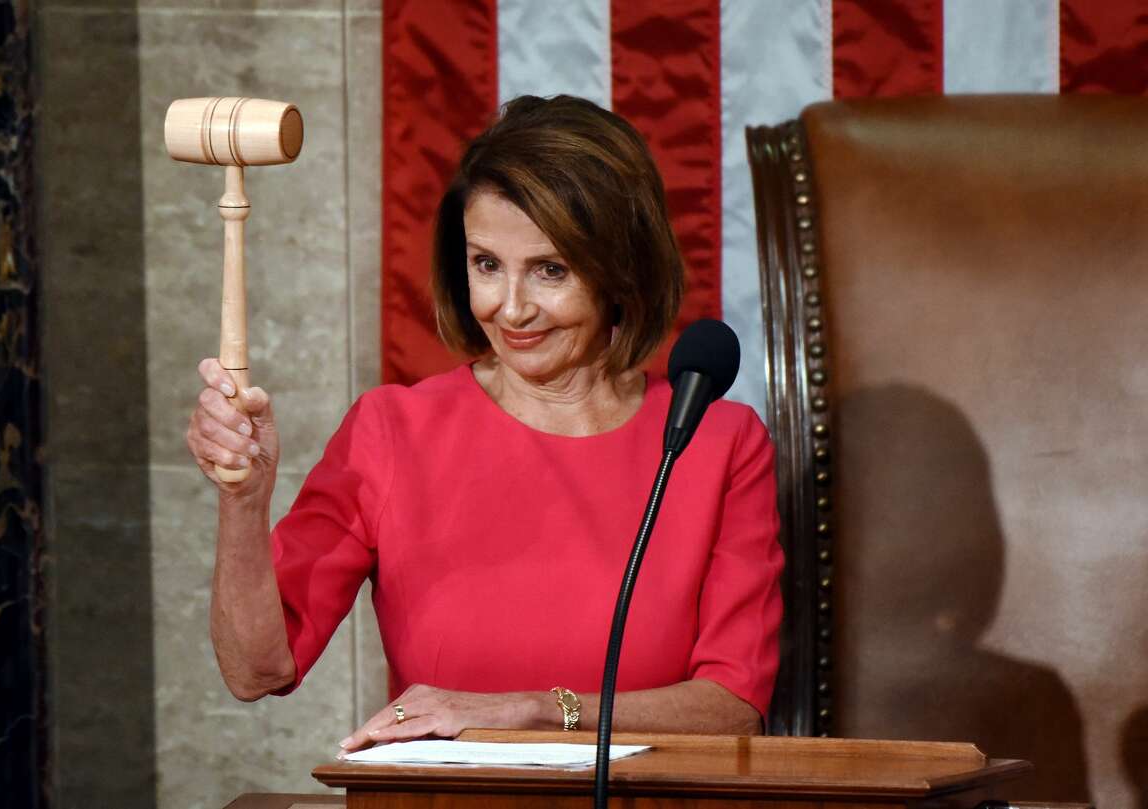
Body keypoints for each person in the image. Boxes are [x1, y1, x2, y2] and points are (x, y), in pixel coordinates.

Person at [185, 95, 783, 752]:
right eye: (487, 265)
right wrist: (244, 501)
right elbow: (256, 670)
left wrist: (533, 711)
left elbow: (733, 707)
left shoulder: (717, 442)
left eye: (550, 269)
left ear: (621, 268)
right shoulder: (391, 431)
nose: (512, 308)